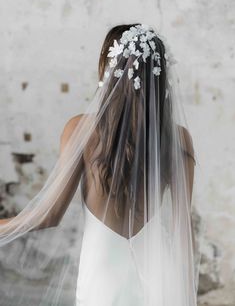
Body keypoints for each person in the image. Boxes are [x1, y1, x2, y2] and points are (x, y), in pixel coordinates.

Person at [0, 23, 199, 306]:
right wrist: (185, 293)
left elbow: (47, 216)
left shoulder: (82, 130)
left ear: (109, 68)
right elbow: (184, 234)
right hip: (159, 273)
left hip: (102, 274)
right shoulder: (178, 139)